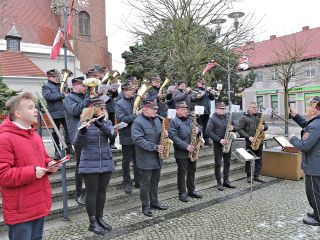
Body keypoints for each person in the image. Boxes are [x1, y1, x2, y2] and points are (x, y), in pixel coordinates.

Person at [0, 92, 60, 240]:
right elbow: (3, 175)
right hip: (20, 209)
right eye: (31, 107)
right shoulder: (4, 138)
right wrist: (32, 172)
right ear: (18, 113)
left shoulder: (34, 135)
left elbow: (43, 158)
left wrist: (50, 163)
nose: (36, 111)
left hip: (38, 203)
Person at [74, 97, 116, 235]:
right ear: (92, 109)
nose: (104, 110)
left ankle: (99, 218)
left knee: (102, 192)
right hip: (89, 162)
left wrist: (101, 124)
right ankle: (92, 222)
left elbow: (112, 135)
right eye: (101, 108)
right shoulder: (83, 123)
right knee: (92, 193)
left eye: (104, 107)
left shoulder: (107, 122)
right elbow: (77, 144)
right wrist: (82, 132)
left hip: (105, 160)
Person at [131, 100, 169, 217]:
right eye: (154, 109)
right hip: (145, 158)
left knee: (155, 181)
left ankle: (154, 202)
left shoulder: (158, 120)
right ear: (145, 109)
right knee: (145, 183)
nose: (156, 111)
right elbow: (138, 140)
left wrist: (165, 134)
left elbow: (160, 134)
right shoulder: (138, 122)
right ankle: (145, 206)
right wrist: (155, 147)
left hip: (157, 157)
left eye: (156, 109)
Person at [289, 96, 320, 226]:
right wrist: (296, 116)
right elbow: (307, 125)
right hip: (315, 164)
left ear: (314, 110)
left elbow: (304, 146)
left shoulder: (315, 125)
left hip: (314, 166)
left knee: (313, 192)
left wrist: (293, 139)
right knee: (316, 192)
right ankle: (317, 211)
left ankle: (318, 217)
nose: (307, 109)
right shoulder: (316, 122)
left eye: (308, 107)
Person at [64, 76, 92, 205]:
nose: (85, 88)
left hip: (89, 133)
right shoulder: (69, 98)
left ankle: (89, 190)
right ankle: (79, 192)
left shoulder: (84, 97)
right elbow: (75, 111)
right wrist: (88, 100)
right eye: (83, 85)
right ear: (76, 85)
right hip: (77, 135)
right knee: (80, 165)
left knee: (89, 164)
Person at [168, 101, 203, 202]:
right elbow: (173, 137)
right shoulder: (173, 121)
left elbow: (200, 128)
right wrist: (186, 146)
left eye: (186, 109)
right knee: (182, 173)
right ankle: (182, 192)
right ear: (177, 110)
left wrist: (198, 129)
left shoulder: (191, 119)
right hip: (181, 151)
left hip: (193, 149)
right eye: (183, 109)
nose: (185, 111)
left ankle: (191, 190)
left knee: (192, 171)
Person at [42, 69, 74, 159]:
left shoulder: (61, 85)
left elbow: (67, 95)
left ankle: (69, 148)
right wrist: (62, 95)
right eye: (54, 77)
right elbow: (48, 97)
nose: (57, 78)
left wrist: (68, 92)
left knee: (68, 131)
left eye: (58, 76)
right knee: (56, 132)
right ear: (49, 77)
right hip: (54, 113)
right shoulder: (46, 86)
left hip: (65, 112)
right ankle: (57, 150)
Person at [115, 82, 141, 194]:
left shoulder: (136, 100)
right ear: (124, 90)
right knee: (126, 161)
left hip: (137, 134)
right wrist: (136, 115)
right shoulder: (119, 103)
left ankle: (138, 180)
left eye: (133, 89)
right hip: (126, 134)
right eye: (130, 90)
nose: (133, 91)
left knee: (137, 159)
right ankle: (127, 182)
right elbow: (121, 119)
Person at [206, 102, 238, 191]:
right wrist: (219, 140)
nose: (223, 110)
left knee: (227, 163)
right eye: (221, 108)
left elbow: (236, 126)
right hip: (218, 144)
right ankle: (219, 183)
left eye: (224, 108)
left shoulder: (228, 117)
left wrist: (233, 128)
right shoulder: (212, 119)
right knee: (218, 164)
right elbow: (208, 131)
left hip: (228, 142)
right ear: (217, 109)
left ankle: (226, 181)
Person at [238, 102, 268, 183]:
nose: (256, 109)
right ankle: (249, 176)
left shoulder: (260, 116)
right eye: (254, 107)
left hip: (259, 141)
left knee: (259, 160)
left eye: (256, 107)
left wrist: (263, 127)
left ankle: (256, 176)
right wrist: (248, 137)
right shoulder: (244, 118)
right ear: (249, 108)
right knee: (249, 160)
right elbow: (239, 129)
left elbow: (266, 126)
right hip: (250, 142)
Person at [194, 78, 216, 146]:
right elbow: (198, 97)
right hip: (199, 111)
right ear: (198, 83)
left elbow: (212, 98)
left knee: (206, 126)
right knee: (199, 126)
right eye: (202, 83)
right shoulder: (196, 90)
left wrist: (210, 92)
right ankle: (198, 141)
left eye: (204, 83)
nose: (204, 85)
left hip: (207, 111)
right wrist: (206, 90)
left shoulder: (206, 91)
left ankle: (206, 140)